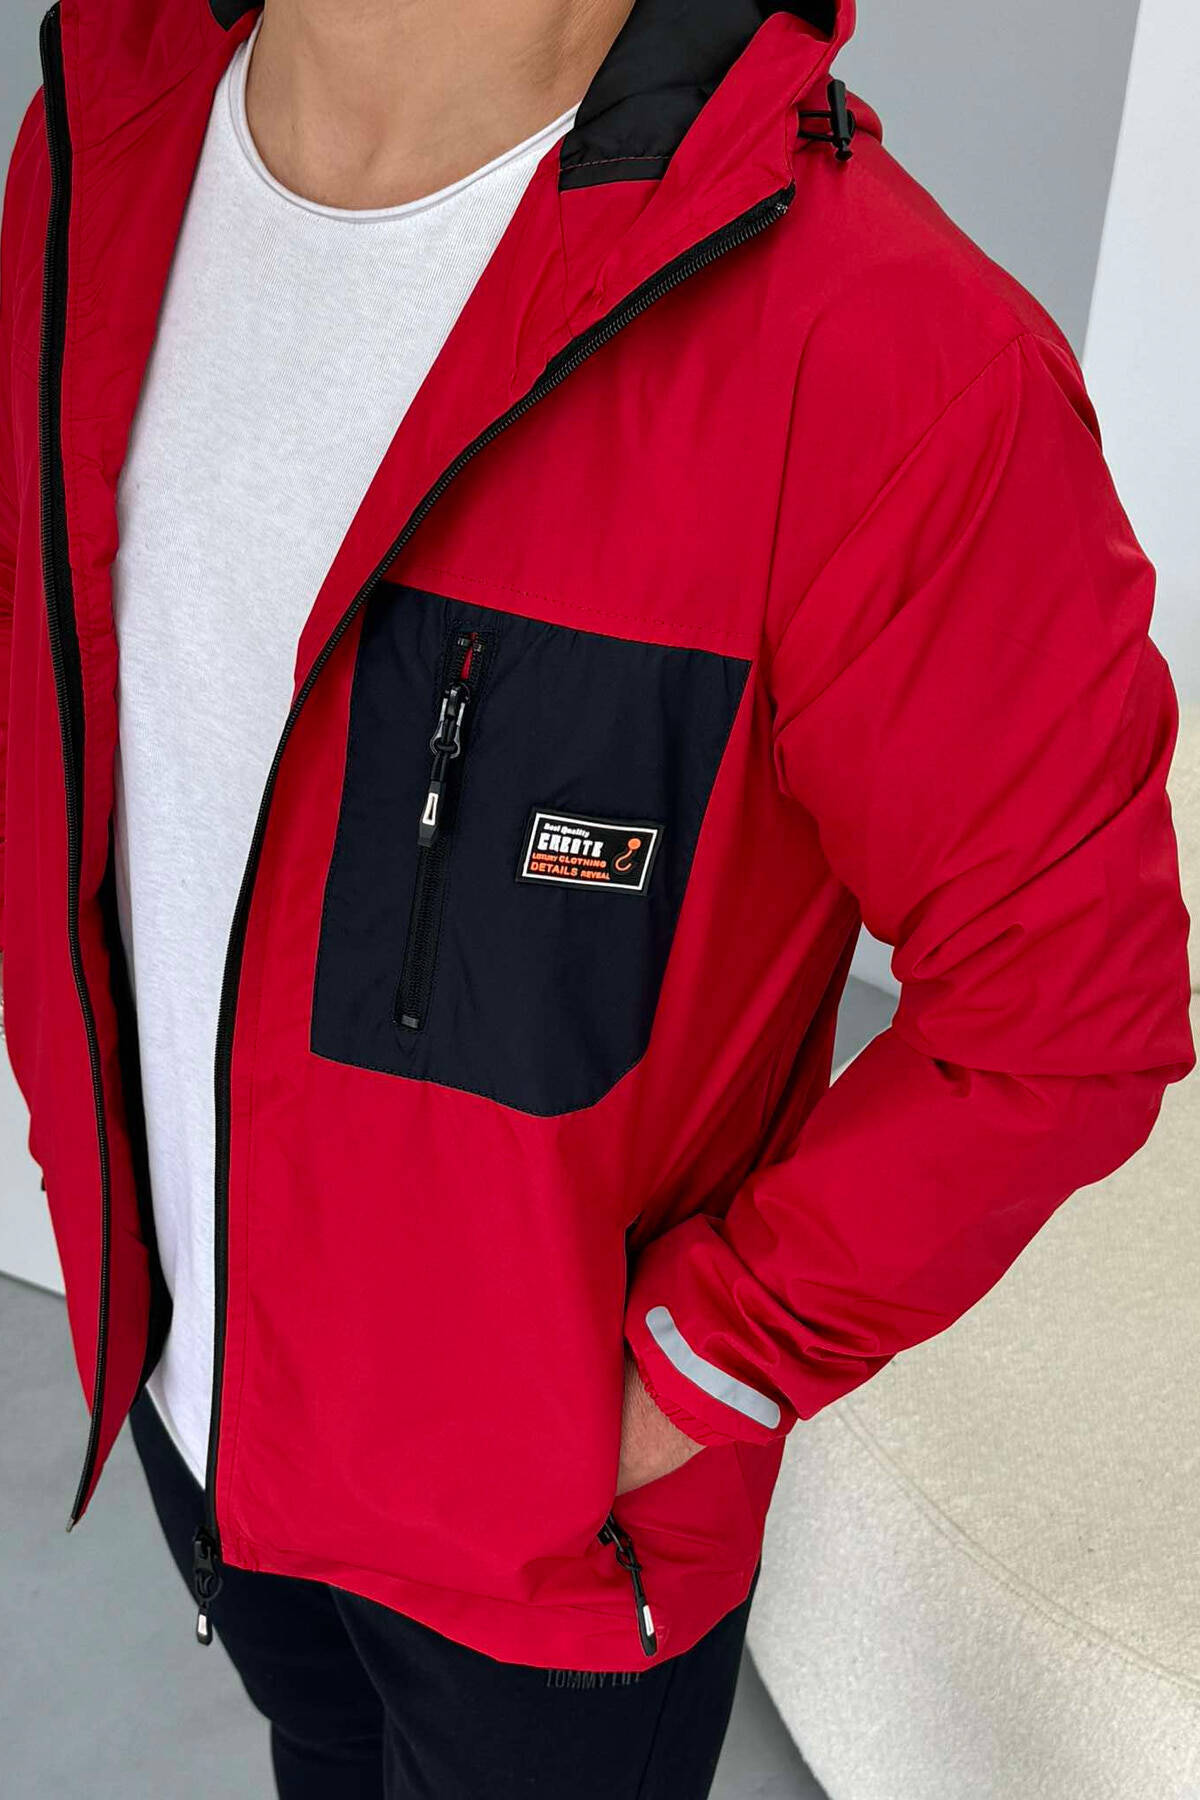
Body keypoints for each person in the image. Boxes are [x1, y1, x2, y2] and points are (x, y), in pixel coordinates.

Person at [0, 0, 1193, 1794]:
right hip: (198, 1421)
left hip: (544, 1565)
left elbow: (1071, 1012)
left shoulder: (881, 351)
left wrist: (698, 1373)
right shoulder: (105, 135)